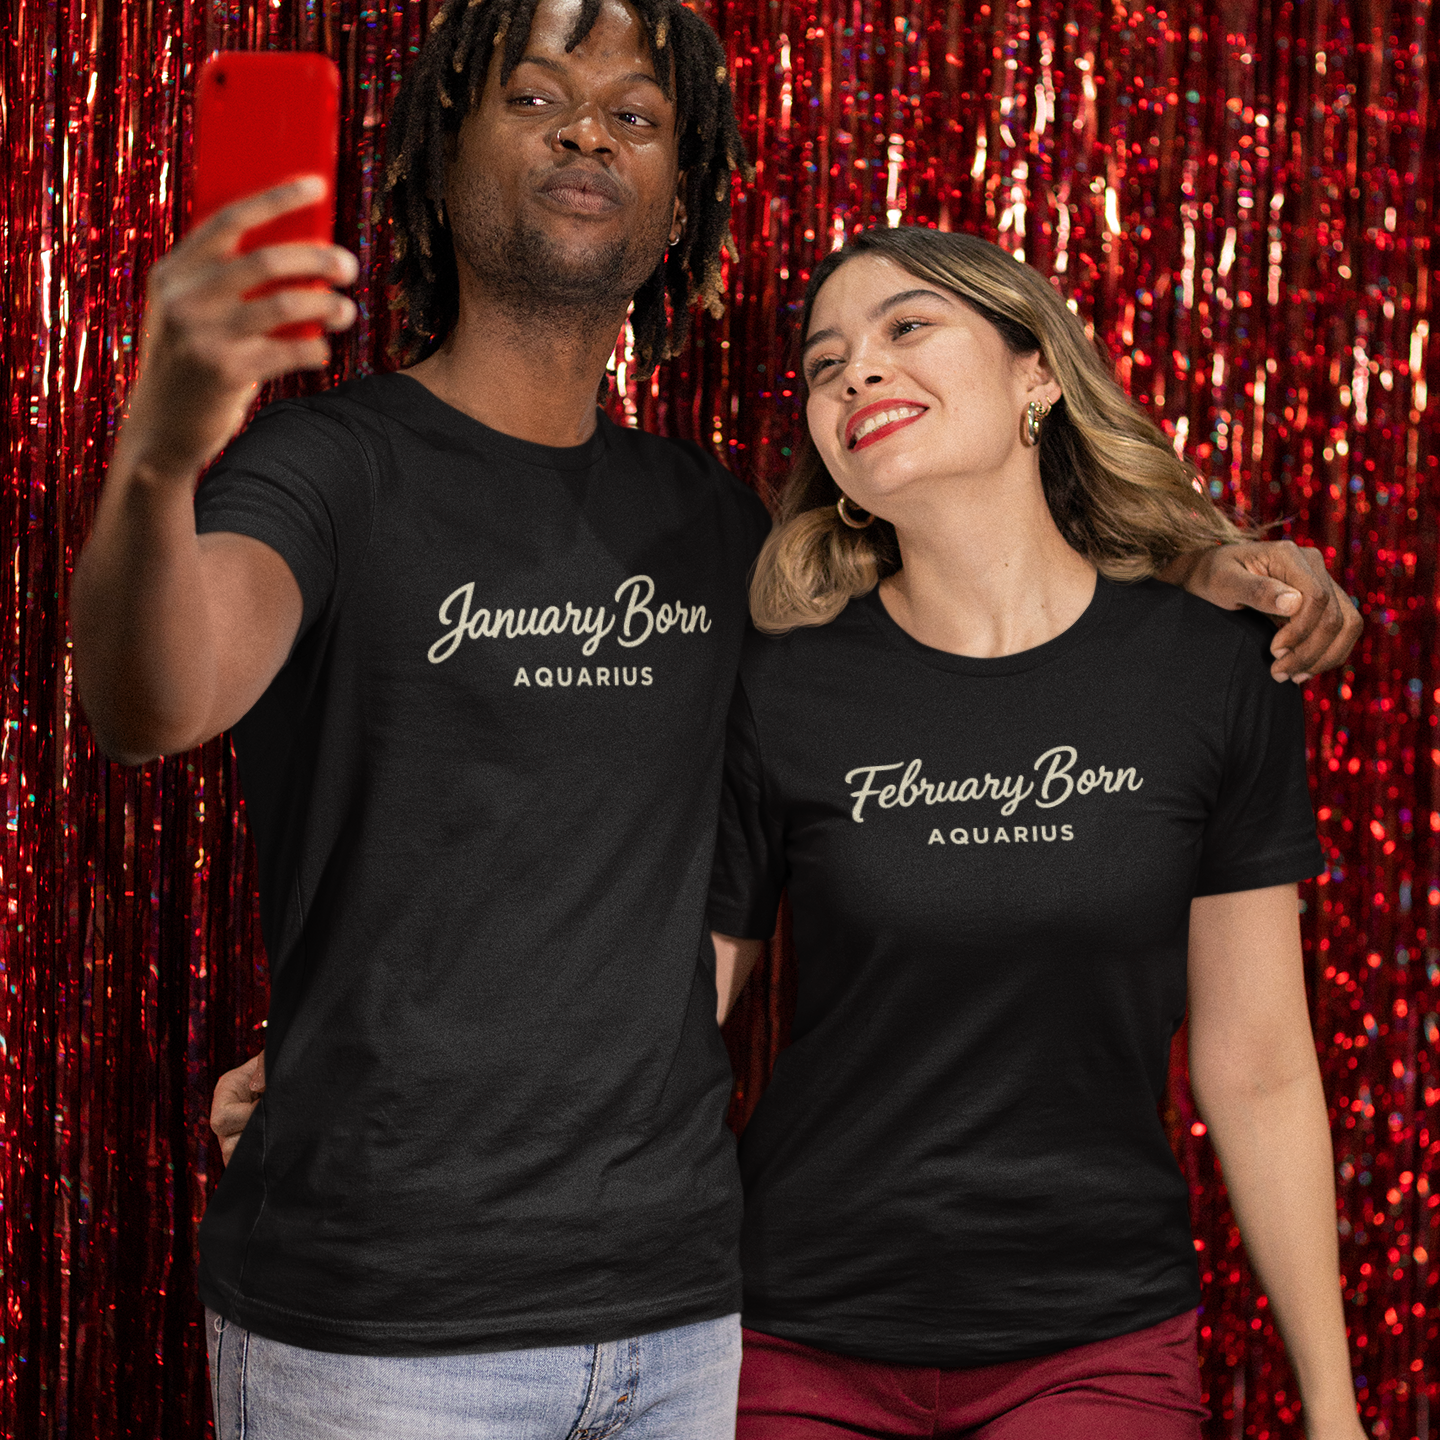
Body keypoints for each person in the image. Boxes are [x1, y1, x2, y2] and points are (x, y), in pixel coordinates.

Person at [82, 0, 1355, 1430]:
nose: (586, 130)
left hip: (683, 1322)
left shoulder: (708, 531)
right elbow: (156, 703)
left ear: (679, 202)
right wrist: (162, 449)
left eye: (635, 114)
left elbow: (981, 605)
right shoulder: (328, 469)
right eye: (537, 96)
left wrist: (1208, 566)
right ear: (442, 159)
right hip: (394, 1322)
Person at [705, 226, 1366, 1440]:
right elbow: (676, 1011)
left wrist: (1333, 1409)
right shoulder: (782, 682)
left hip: (1095, 1344)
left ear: (1037, 376)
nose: (856, 372)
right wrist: (384, 1084)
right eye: (823, 363)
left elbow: (1260, 1065)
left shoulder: (1215, 668)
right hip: (794, 1336)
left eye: (907, 328)